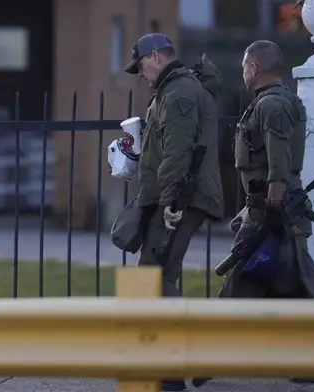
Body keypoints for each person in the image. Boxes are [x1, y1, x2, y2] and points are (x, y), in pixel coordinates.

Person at [217, 40, 314, 385]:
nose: (242, 74)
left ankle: (207, 354)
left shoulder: (272, 106)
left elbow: (279, 166)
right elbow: (266, 165)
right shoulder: (277, 102)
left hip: (276, 208)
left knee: (265, 279)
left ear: (253, 68)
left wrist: (270, 210)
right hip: (267, 205)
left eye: (243, 68)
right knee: (282, 282)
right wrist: (250, 209)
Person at [124, 32, 224, 392]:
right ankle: (167, 370)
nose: (140, 75)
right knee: (160, 274)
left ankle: (183, 360)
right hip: (176, 197)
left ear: (154, 57)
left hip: (181, 199)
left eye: (139, 67)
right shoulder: (171, 90)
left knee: (153, 277)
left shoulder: (179, 92)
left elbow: (179, 154)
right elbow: (166, 148)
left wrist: (170, 205)